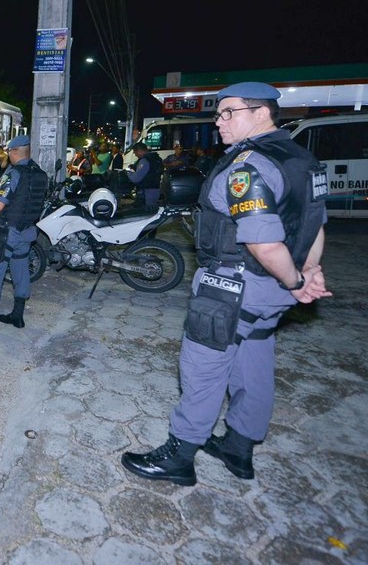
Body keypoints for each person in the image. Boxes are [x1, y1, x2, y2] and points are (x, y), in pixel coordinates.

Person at [121, 82, 331, 487]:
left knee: (203, 368)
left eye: (228, 112)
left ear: (262, 113)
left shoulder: (248, 166)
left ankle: (180, 456)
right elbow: (315, 224)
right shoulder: (302, 159)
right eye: (219, 113)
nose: (219, 121)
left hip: (234, 286)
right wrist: (307, 273)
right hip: (269, 293)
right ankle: (239, 447)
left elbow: (264, 241)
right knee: (253, 361)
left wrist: (297, 277)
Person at [0, 136, 48, 332]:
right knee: (20, 268)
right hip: (29, 231)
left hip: (9, 230)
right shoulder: (41, 174)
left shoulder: (12, 174)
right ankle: (17, 316)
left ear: (14, 151)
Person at [127, 142, 164, 210]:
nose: (135, 155)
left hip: (147, 192)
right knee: (153, 213)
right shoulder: (156, 158)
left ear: (140, 151)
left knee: (146, 213)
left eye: (135, 153)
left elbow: (135, 178)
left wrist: (128, 173)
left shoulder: (145, 160)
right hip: (155, 189)